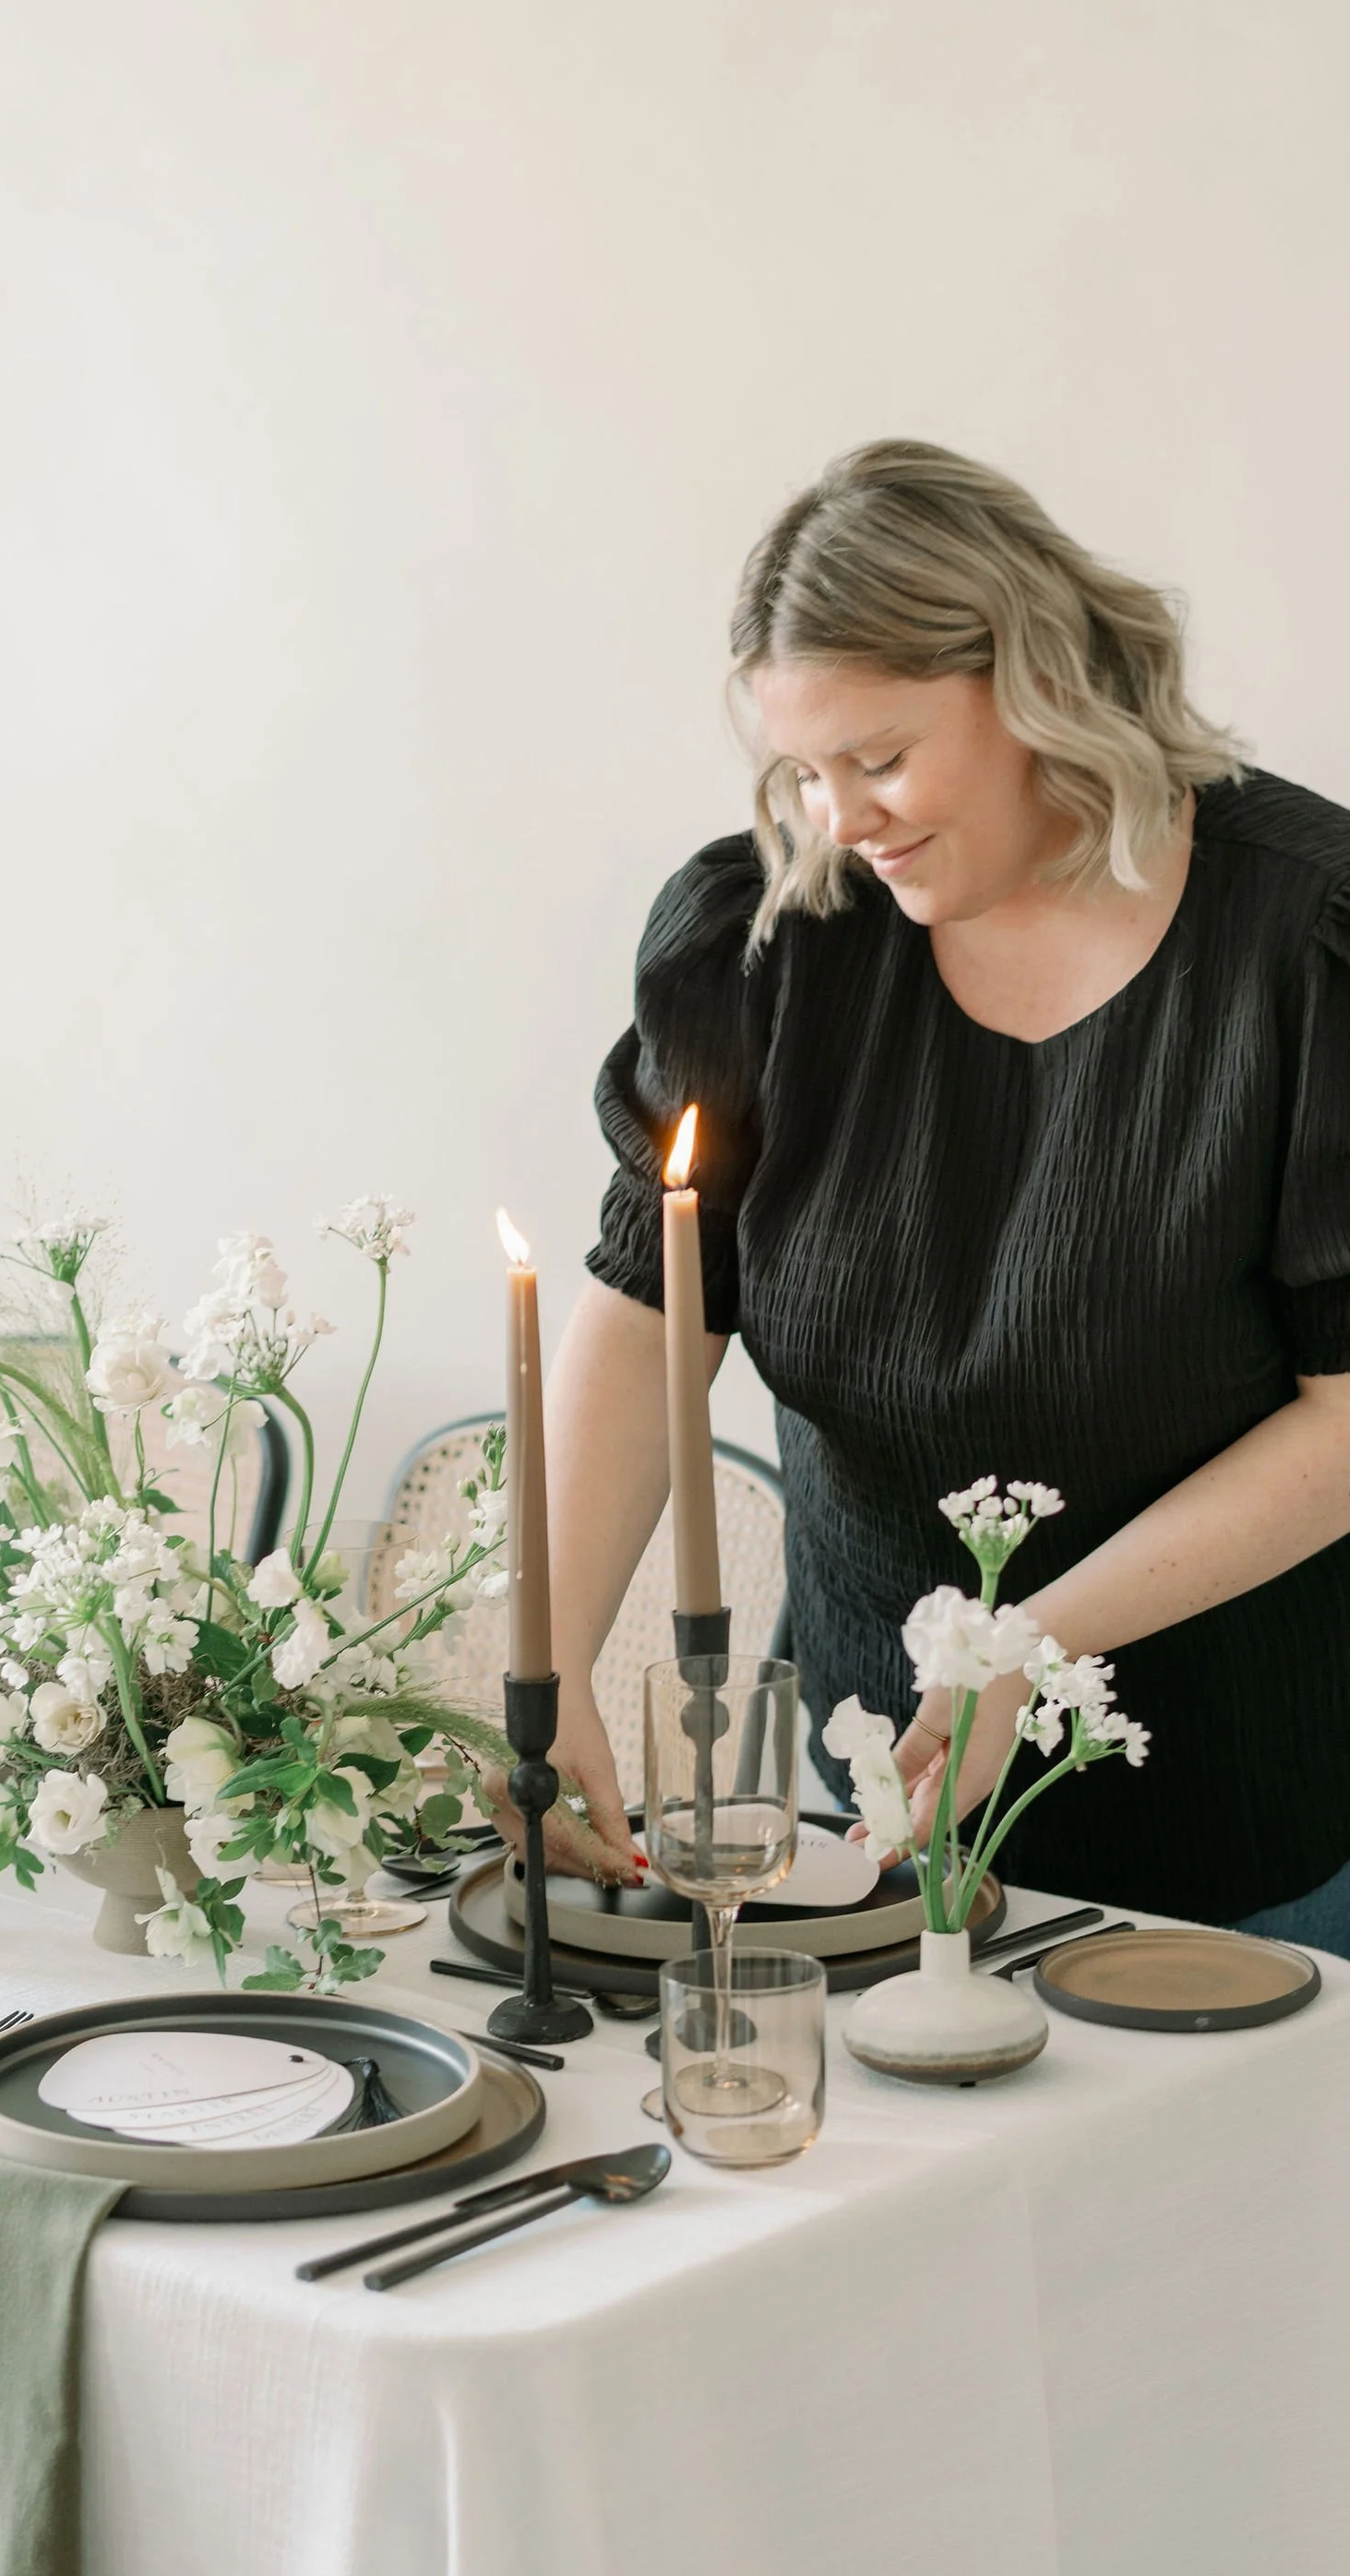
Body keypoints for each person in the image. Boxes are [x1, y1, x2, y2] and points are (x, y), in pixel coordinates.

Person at [533, 438, 1350, 1946]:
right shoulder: (771, 938)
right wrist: (552, 1657)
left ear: (1036, 681)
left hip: (1248, 1833)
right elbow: (651, 1303)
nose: (845, 820)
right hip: (867, 1820)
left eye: (884, 758)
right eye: (803, 773)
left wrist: (1031, 1651)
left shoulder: (1300, 945)